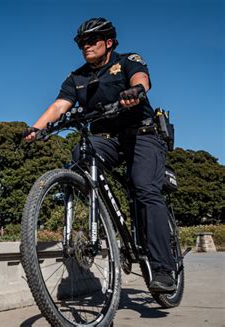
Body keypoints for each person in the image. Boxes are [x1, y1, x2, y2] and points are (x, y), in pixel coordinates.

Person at [24, 17, 175, 293]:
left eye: (92, 41)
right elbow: (60, 105)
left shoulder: (127, 60)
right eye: (82, 43)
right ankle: (101, 215)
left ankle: (164, 268)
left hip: (141, 135)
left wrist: (137, 90)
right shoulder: (77, 77)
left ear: (108, 42)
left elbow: (141, 78)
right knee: (80, 153)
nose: (86, 46)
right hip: (106, 139)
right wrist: (36, 129)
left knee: (144, 189)